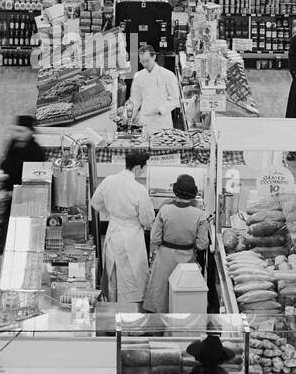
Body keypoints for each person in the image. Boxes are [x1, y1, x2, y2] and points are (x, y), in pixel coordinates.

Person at [89, 149, 154, 304]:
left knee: (112, 273)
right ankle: (129, 314)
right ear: (138, 167)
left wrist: (112, 213)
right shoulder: (139, 189)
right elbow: (147, 220)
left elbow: (95, 203)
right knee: (132, 276)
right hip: (132, 236)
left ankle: (111, 310)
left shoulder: (109, 180)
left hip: (112, 232)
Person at [144, 173, 211, 313]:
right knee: (183, 297)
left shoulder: (165, 210)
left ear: (175, 191)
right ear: (194, 193)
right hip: (187, 260)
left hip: (165, 258)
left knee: (161, 294)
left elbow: (155, 238)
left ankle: (159, 327)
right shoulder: (200, 215)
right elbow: (202, 244)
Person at [127, 43, 180, 133]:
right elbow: (135, 100)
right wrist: (127, 117)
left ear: (154, 57)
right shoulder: (139, 76)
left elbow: (175, 99)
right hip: (145, 122)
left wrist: (160, 109)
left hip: (163, 122)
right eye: (142, 61)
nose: (144, 64)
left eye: (147, 61)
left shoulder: (168, 75)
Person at [0, 114, 45, 190]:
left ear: (30, 132)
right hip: (6, 184)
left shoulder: (36, 150)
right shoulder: (13, 143)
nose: (17, 135)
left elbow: (35, 178)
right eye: (15, 131)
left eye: (21, 131)